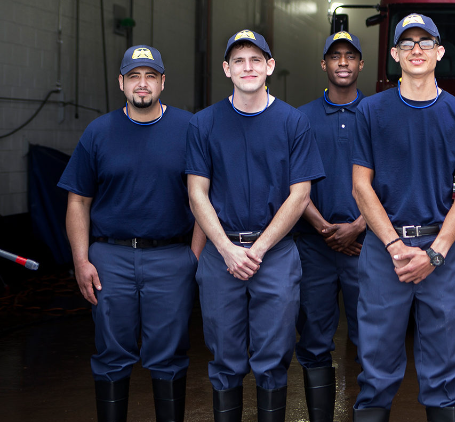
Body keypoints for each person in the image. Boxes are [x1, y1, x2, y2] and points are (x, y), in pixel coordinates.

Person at [350, 13, 455, 422]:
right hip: (383, 253)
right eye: (407, 43)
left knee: (444, 374)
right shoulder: (370, 112)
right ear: (393, 54)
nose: (416, 50)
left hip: (440, 252)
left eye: (425, 43)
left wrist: (436, 253)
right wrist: (395, 246)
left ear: (440, 52)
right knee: (375, 368)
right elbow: (362, 187)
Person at [186, 30, 325, 422]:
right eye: (239, 61)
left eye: (256, 59)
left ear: (270, 66)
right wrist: (228, 250)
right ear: (227, 69)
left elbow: (300, 195)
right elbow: (197, 194)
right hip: (221, 253)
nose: (248, 67)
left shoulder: (293, 122)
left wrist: (259, 249)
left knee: (273, 356)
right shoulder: (204, 123)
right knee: (225, 356)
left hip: (276, 255)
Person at [59, 45, 201, 422]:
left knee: (169, 357)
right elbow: (78, 202)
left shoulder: (189, 128)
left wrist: (194, 257)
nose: (142, 84)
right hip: (110, 258)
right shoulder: (98, 132)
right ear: (121, 82)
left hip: (171, 256)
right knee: (110, 355)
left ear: (162, 82)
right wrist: (81, 260)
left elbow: (203, 197)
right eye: (134, 76)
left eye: (150, 76)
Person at [293, 30, 367, 421]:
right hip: (313, 247)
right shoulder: (299, 118)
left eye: (349, 56)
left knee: (369, 338)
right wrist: (324, 228)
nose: (342, 62)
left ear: (360, 64)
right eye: (334, 55)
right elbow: (292, 184)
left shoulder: (376, 114)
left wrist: (357, 225)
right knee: (315, 340)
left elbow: (388, 181)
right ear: (323, 64)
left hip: (365, 246)